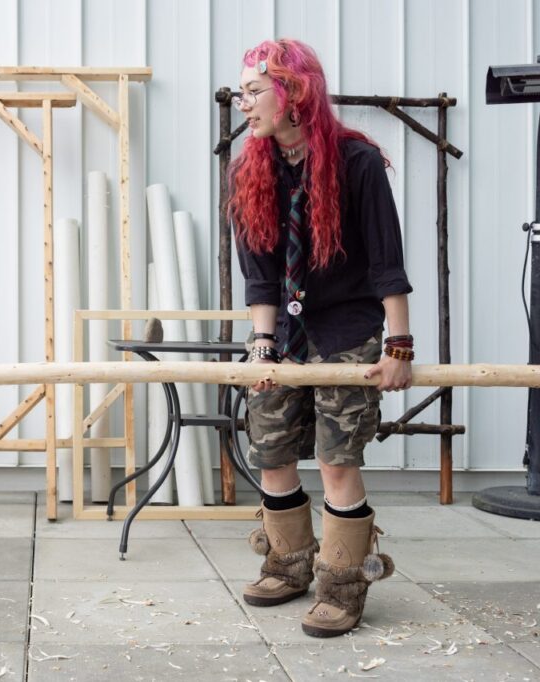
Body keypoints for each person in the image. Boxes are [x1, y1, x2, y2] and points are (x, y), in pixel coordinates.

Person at [229, 39, 413, 637]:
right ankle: (287, 562)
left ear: (295, 92)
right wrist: (261, 345)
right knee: (272, 451)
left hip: (347, 330)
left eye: (255, 91)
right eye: (242, 92)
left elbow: (387, 262)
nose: (244, 104)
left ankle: (341, 582)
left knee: (337, 461)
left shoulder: (357, 163)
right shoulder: (248, 169)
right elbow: (259, 273)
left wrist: (399, 347)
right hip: (282, 333)